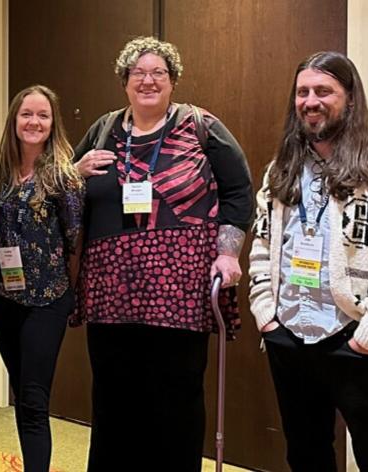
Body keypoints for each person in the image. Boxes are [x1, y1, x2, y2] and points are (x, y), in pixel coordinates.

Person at [72, 36, 253, 471]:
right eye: (138, 73)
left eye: (158, 73)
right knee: (113, 397)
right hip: (111, 288)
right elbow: (64, 187)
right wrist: (73, 171)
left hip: (179, 285)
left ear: (173, 82)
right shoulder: (103, 129)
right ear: (124, 82)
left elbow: (238, 189)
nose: (148, 81)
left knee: (176, 396)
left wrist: (228, 253)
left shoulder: (200, 125)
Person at [249, 51, 368, 472]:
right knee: (305, 451)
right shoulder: (280, 168)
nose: (310, 101)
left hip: (354, 334)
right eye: (302, 92)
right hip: (291, 333)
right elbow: (262, 244)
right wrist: (266, 313)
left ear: (350, 99)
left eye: (324, 91)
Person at [0, 85, 84, 471]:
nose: (34, 122)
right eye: (27, 114)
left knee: (33, 399)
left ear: (52, 123)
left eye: (43, 115)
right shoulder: (2, 172)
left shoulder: (64, 176)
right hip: (2, 296)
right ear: (15, 119)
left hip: (47, 299)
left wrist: (70, 298)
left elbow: (76, 241)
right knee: (21, 391)